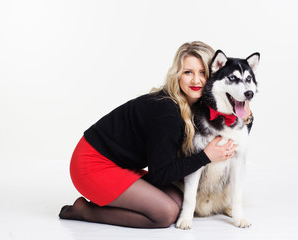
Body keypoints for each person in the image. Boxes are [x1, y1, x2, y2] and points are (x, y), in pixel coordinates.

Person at [59, 41, 253, 228]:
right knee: (165, 213)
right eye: (188, 72)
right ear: (177, 75)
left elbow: (231, 132)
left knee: (177, 200)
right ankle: (85, 211)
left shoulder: (195, 106)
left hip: (121, 166)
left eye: (203, 73)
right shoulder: (167, 111)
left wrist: (245, 115)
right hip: (92, 164)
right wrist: (205, 157)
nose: (196, 80)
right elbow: (160, 174)